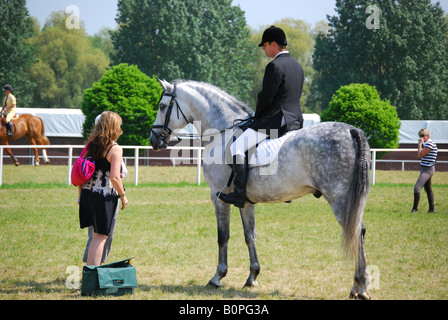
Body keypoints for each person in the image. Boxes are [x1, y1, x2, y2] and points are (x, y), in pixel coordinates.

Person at [217, 25, 304, 208]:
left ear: (273, 44)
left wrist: (257, 116)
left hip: (276, 120)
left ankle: (239, 194)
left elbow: (266, 98)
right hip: (295, 120)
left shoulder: (274, 66)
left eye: (264, 45)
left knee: (236, 147)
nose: (264, 49)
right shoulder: (297, 66)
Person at [78, 111, 128, 266]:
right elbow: (115, 177)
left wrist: (80, 196)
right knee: (101, 237)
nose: (120, 128)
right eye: (119, 125)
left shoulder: (91, 145)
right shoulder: (114, 148)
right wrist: (123, 195)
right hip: (103, 196)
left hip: (87, 194)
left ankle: (91, 274)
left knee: (95, 236)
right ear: (113, 127)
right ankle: (92, 276)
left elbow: (80, 172)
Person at [412, 128, 438, 213]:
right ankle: (432, 209)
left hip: (427, 169)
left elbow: (420, 155)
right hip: (425, 168)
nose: (421, 138)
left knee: (417, 188)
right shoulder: (427, 143)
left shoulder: (429, 144)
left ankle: (415, 209)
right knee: (428, 189)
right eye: (420, 136)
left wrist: (419, 144)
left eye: (422, 136)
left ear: (427, 135)